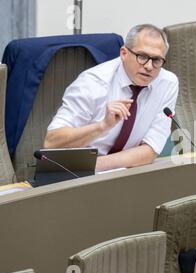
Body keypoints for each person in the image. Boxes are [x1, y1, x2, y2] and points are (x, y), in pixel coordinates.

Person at [44, 24, 178, 172]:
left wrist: (95, 167)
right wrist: (102, 126)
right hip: (74, 176)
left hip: (123, 171)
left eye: (157, 60)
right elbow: (51, 142)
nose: (149, 66)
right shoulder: (92, 82)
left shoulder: (167, 83)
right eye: (142, 57)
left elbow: (150, 150)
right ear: (124, 53)